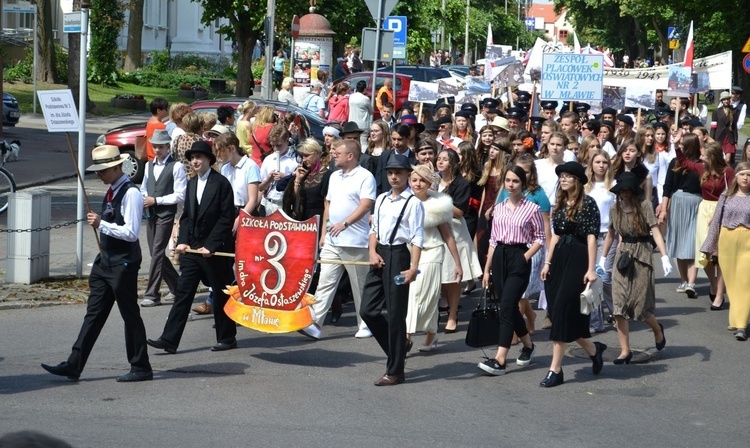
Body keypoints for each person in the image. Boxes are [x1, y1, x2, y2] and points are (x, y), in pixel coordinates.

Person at [42, 145, 152, 382]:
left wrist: (102, 224)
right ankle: (74, 364)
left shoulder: (131, 193)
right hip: (106, 261)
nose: (98, 174)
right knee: (93, 314)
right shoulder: (112, 189)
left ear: (115, 167)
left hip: (124, 263)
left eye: (102, 170)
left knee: (130, 314)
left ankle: (141, 367)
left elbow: (132, 233)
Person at [147, 141, 237, 354]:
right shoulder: (192, 183)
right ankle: (169, 340)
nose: (195, 161)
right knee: (184, 293)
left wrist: (211, 245)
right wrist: (182, 242)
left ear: (208, 160)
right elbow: (187, 216)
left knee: (221, 294)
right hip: (193, 250)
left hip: (215, 250)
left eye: (200, 157)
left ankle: (227, 337)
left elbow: (226, 218)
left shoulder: (221, 183)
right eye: (193, 158)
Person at [298, 139, 376, 339]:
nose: (333, 154)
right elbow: (327, 206)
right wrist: (324, 233)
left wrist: (346, 223)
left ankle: (365, 324)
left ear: (350, 156)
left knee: (359, 286)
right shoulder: (334, 176)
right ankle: (314, 323)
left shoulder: (365, 177)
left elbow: (366, 205)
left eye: (337, 152)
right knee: (325, 282)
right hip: (332, 242)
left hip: (355, 241)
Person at [539, 162, 607, 388]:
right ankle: (594, 350)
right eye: (562, 176)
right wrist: (547, 262)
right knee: (565, 315)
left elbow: (591, 238)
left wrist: (590, 268)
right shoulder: (559, 203)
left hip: (577, 259)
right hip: (558, 259)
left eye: (568, 176)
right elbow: (555, 236)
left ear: (577, 180)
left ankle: (555, 370)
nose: (564, 179)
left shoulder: (588, 204)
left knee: (560, 312)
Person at [360, 154, 425, 386]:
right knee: (367, 310)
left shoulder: (414, 202)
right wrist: (371, 251)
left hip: (399, 256)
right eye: (390, 173)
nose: (394, 176)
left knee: (396, 314)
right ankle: (398, 347)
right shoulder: (381, 199)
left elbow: (417, 236)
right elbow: (374, 229)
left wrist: (413, 269)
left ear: (408, 175)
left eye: (398, 172)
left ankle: (395, 370)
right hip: (380, 253)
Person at [478, 164, 545, 376]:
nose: (511, 185)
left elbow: (540, 238)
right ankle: (528, 346)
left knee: (507, 307)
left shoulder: (531, 208)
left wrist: (525, 257)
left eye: (515, 181)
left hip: (519, 256)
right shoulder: (498, 208)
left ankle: (500, 359)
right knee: (509, 307)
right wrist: (487, 270)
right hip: (499, 257)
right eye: (508, 180)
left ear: (523, 184)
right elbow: (493, 240)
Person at [600, 172, 671, 363]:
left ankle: (657, 329)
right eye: (620, 190)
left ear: (632, 191)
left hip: (642, 256)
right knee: (619, 307)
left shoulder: (645, 206)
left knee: (640, 307)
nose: (623, 194)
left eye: (626, 190)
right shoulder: (615, 209)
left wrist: (664, 257)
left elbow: (655, 232)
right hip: (623, 258)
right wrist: (602, 258)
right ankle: (625, 350)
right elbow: (611, 235)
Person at [406, 165, 462, 351]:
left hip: (432, 252)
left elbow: (448, 236)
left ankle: (406, 338)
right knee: (417, 296)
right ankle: (432, 334)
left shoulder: (437, 205)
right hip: (410, 254)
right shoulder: (405, 202)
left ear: (430, 183)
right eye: (414, 180)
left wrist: (457, 263)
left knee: (421, 295)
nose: (418, 184)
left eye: (422, 180)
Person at [674, 140, 734, 309]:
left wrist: (719, 215)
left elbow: (732, 193)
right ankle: (714, 283)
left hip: (721, 209)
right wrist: (678, 147)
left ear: (712, 157)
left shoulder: (727, 172)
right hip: (704, 209)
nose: (700, 158)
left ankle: (719, 295)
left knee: (720, 255)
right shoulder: (702, 169)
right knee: (704, 253)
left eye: (703, 155)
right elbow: (685, 163)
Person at [701, 162, 750, 340]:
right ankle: (736, 319)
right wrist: (709, 247)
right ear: (736, 176)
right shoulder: (726, 196)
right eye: (742, 174)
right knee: (732, 283)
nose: (745, 178)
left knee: (744, 282)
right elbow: (715, 223)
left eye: (749, 175)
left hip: (747, 242)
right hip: (727, 241)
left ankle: (742, 326)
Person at [436, 148, 483, 332]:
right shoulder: (432, 181)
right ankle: (441, 306)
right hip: (435, 232)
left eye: (445, 159)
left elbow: (459, 212)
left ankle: (453, 315)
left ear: (454, 164)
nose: (440, 162)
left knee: (452, 278)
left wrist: (436, 199)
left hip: (454, 233)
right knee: (440, 276)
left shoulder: (461, 184)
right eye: (439, 158)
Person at [139, 130, 186, 308]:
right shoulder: (148, 166)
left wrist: (157, 200)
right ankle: (178, 286)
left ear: (168, 147)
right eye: (155, 146)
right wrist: (144, 197)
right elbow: (144, 187)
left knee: (158, 251)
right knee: (154, 253)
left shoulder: (176, 166)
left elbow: (180, 195)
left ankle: (152, 294)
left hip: (166, 214)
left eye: (161, 146)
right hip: (150, 213)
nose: (157, 150)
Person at [660, 133, 702, 298]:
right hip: (677, 202)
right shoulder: (675, 162)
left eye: (683, 144)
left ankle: (691, 283)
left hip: (696, 204)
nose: (680, 147)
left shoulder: (701, 165)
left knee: (692, 243)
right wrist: (664, 209)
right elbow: (667, 187)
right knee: (679, 243)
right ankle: (684, 280)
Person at [584, 149, 617, 333]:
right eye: (597, 162)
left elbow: (617, 213)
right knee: (593, 279)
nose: (601, 166)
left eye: (604, 162)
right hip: (589, 236)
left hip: (608, 236)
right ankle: (595, 321)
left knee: (606, 278)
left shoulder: (613, 185)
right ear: (591, 165)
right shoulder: (585, 186)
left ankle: (616, 312)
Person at [258, 124, 299, 216]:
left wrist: (285, 177)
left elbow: (300, 185)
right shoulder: (268, 159)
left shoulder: (296, 159)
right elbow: (260, 188)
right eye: (273, 145)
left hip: (286, 205)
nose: (276, 148)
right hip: (268, 203)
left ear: (287, 141)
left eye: (279, 145)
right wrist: (269, 180)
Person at [711, 91, 736, 164]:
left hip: (729, 138)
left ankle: (727, 171)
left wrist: (735, 140)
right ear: (721, 101)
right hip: (719, 137)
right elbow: (713, 126)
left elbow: (734, 126)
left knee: (728, 159)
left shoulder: (733, 111)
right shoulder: (716, 111)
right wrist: (712, 138)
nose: (726, 101)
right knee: (719, 158)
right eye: (724, 99)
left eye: (727, 99)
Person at [348, 80, 374, 149]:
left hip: (352, 124)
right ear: (364, 89)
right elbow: (371, 111)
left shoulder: (351, 96)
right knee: (363, 144)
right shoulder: (365, 99)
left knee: (352, 144)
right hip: (363, 125)